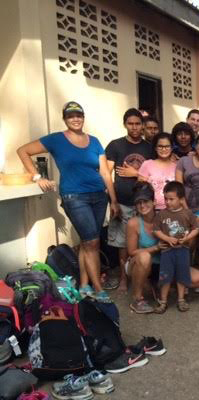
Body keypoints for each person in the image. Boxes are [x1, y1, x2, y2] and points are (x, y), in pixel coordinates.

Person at [17, 101, 119, 302]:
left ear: (83, 117)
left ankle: (83, 286)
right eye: (71, 116)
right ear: (65, 119)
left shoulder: (95, 141)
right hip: (75, 196)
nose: (75, 119)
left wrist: (113, 199)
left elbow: (105, 172)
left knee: (87, 242)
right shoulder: (56, 139)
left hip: (99, 196)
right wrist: (38, 177)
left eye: (78, 115)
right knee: (93, 242)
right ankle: (97, 288)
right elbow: (23, 151)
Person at [106, 108, 154, 292]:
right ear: (125, 124)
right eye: (130, 123)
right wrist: (113, 200)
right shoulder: (115, 146)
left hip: (144, 204)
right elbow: (107, 173)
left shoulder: (149, 148)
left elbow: (154, 172)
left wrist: (137, 173)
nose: (134, 127)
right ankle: (124, 279)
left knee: (144, 241)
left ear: (143, 126)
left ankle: (141, 276)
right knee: (122, 243)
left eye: (138, 124)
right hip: (123, 202)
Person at [152, 181, 199, 313]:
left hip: (183, 250)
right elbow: (156, 230)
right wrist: (167, 238)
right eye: (166, 199)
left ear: (181, 199)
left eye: (171, 199)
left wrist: (187, 238)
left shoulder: (187, 213)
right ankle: (163, 302)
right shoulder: (161, 214)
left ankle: (181, 299)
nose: (168, 202)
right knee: (165, 276)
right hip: (167, 251)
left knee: (182, 275)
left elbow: (197, 228)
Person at [126, 183, 160, 314]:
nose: (142, 205)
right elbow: (132, 252)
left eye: (145, 201)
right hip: (138, 262)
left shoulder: (163, 218)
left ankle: (155, 285)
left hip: (160, 265)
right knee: (145, 256)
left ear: (154, 202)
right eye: (138, 202)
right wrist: (156, 247)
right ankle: (137, 299)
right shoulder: (133, 223)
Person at [138, 133, 177, 210]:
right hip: (152, 210)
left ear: (172, 148)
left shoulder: (177, 166)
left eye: (167, 146)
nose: (164, 149)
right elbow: (140, 190)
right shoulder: (147, 164)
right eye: (160, 146)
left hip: (172, 210)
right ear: (155, 148)